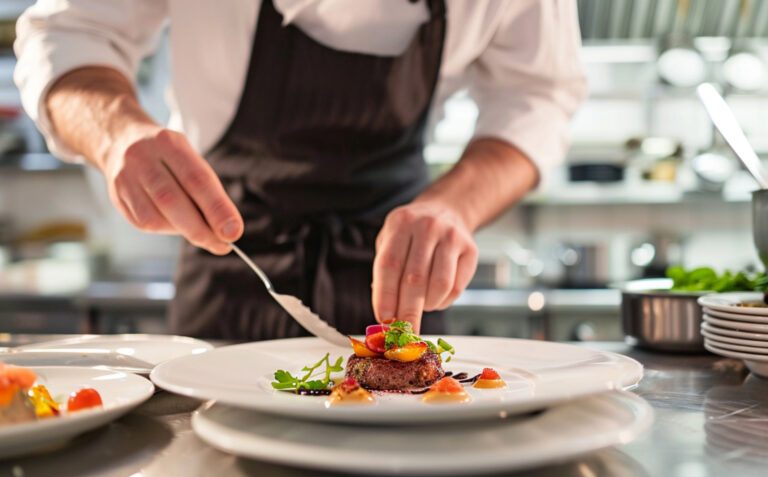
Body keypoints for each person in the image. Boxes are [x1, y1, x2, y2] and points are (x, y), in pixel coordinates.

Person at [14, 0, 586, 340]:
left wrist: (454, 205)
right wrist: (116, 133)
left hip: (401, 280)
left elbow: (537, 94)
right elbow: (69, 33)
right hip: (230, 262)